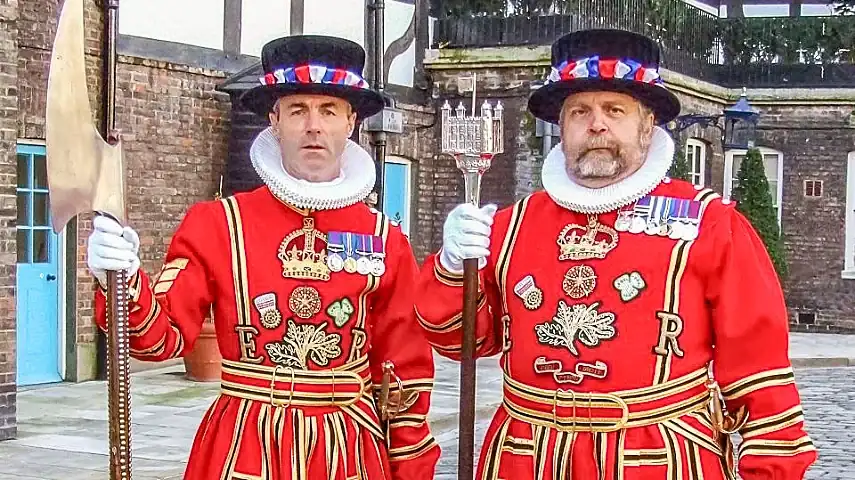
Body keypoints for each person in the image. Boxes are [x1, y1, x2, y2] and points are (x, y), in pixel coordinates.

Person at [415, 29, 816, 479]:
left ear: (647, 125)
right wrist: (452, 268)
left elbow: (758, 368)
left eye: (615, 110)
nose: (597, 124)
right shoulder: (510, 226)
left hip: (658, 459)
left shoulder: (710, 224)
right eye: (580, 111)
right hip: (528, 457)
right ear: (561, 126)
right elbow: (462, 341)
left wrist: (773, 467)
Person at [87, 35, 440, 479]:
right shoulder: (216, 224)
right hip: (244, 445)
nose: (314, 126)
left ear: (350, 122)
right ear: (274, 120)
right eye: (297, 110)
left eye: (328, 110)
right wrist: (119, 278)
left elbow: (404, 367)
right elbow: (160, 338)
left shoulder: (384, 238)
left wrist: (409, 465)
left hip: (348, 450)